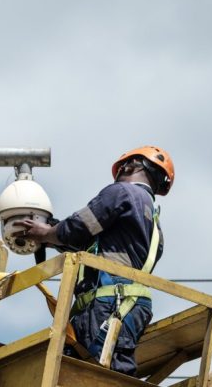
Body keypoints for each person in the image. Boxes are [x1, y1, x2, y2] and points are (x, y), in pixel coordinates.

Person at [13, 145, 174, 375]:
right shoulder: (154, 223)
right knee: (112, 371)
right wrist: (52, 236)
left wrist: (45, 233)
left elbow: (79, 227)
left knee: (84, 373)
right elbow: (91, 246)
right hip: (130, 304)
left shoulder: (121, 192)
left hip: (108, 303)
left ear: (132, 165)